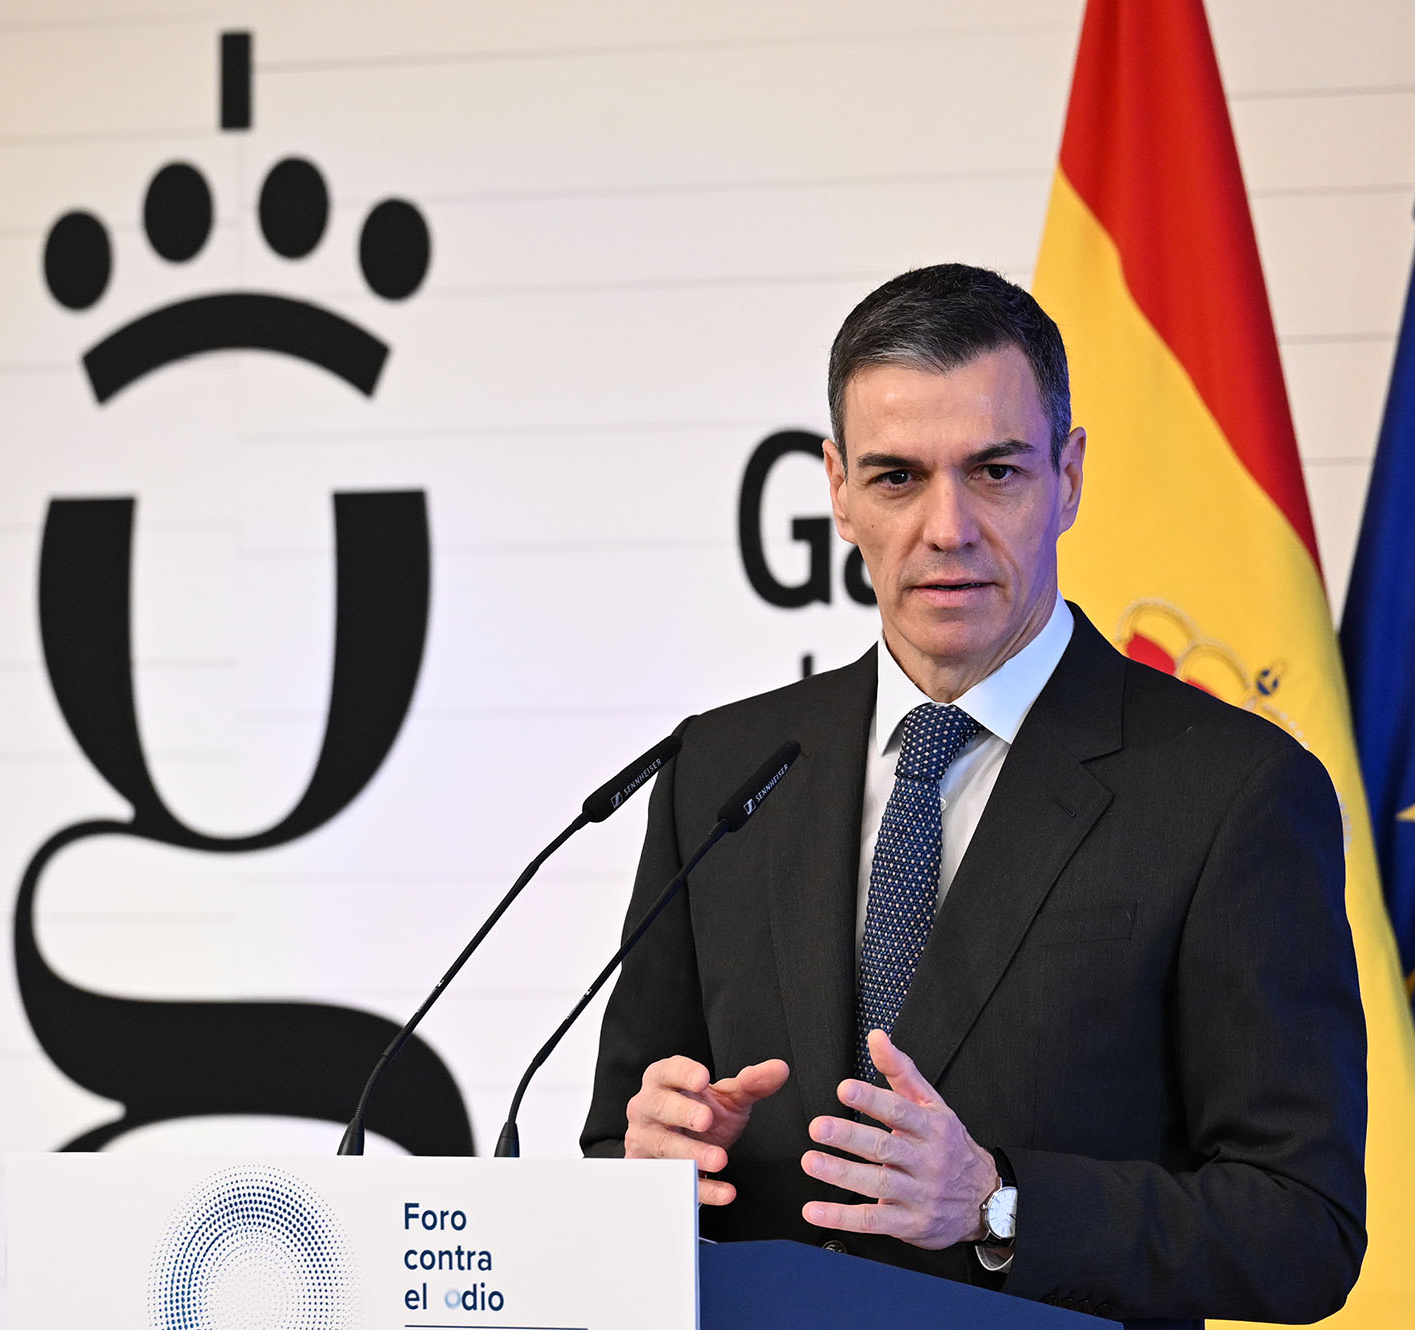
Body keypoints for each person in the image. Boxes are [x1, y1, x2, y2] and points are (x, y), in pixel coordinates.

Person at [582, 264, 1365, 1327]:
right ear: (838, 489)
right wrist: (659, 1165)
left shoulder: (1232, 791)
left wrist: (998, 1205)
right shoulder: (720, 769)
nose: (945, 527)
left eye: (994, 471)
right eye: (896, 478)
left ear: (1068, 477)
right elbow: (615, 1150)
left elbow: (1303, 1230)